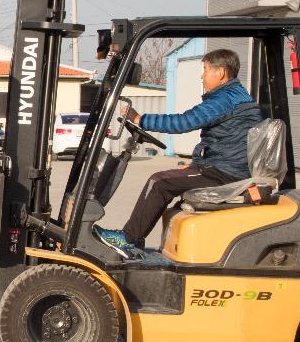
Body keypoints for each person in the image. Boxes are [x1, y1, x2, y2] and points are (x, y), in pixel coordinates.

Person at [94, 49, 262, 258]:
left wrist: (140, 119)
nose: (202, 76)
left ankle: (128, 238)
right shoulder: (234, 95)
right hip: (224, 167)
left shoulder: (225, 99)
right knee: (174, 189)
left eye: (205, 70)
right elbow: (222, 141)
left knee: (159, 182)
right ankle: (139, 241)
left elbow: (184, 122)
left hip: (225, 172)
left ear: (220, 73)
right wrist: (195, 165)